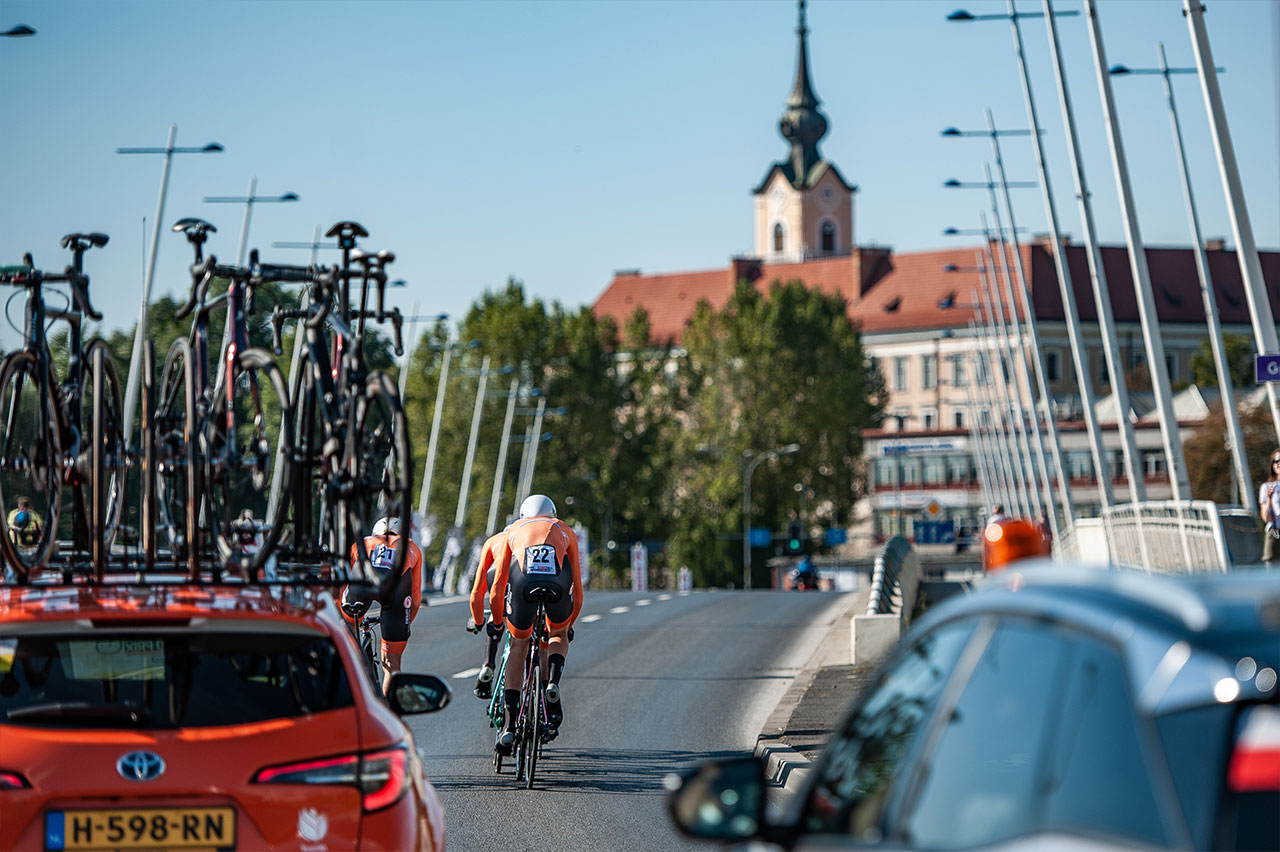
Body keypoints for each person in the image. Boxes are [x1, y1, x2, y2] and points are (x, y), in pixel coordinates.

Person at [486, 494, 583, 754]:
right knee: (557, 635)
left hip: (522, 584)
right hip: (558, 585)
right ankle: (552, 682)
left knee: (518, 646)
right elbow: (578, 589)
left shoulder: (514, 531)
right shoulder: (565, 530)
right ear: (553, 513)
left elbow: (496, 587)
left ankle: (508, 725)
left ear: (522, 515)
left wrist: (497, 622)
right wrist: (567, 625)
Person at [341, 516, 424, 694]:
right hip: (397, 592)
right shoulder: (412, 547)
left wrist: (342, 616)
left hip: (361, 585)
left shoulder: (363, 543)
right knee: (392, 667)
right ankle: (388, 712)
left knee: (346, 632)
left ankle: (346, 664)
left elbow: (342, 582)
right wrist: (404, 623)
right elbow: (415, 598)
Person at [465, 526, 511, 699]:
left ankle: (488, 663)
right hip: (523, 577)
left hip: (496, 574)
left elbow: (477, 591)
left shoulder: (493, 541)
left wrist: (477, 621)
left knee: (497, 611)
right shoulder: (532, 539)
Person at [1259, 450, 1280, 565]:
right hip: (1275, 531)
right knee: (1272, 566)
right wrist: (1269, 499)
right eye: (1275, 461)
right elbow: (1265, 518)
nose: (1278, 464)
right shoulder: (1266, 487)